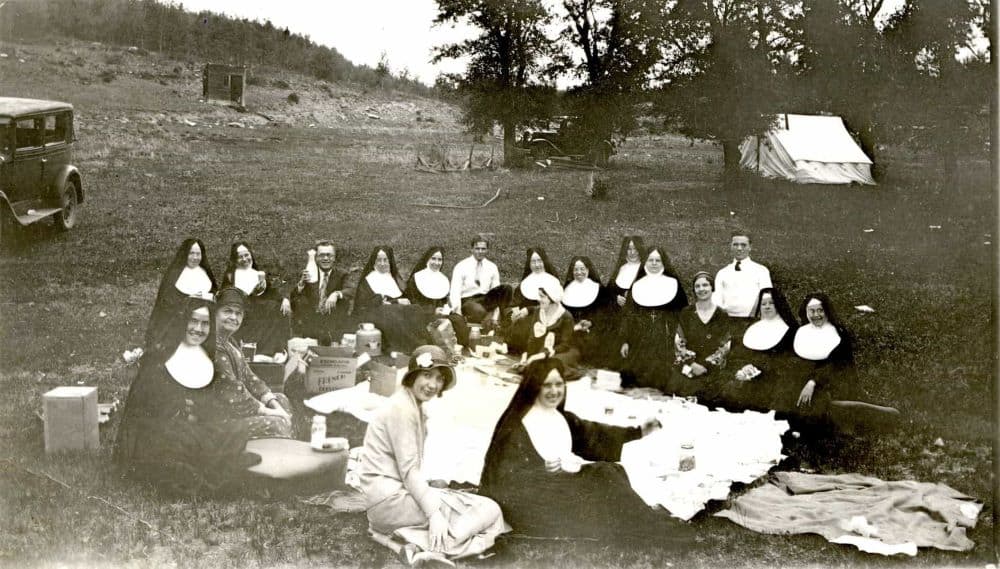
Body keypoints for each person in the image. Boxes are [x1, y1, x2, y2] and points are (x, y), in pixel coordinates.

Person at [479, 358, 691, 541]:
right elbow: (505, 480)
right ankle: (649, 525)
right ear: (534, 387)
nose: (555, 392)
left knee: (613, 472)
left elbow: (595, 434)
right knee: (603, 475)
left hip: (556, 488)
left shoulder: (560, 416)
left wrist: (638, 431)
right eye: (547, 386)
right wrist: (542, 471)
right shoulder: (516, 426)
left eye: (559, 384)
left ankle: (644, 520)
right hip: (532, 503)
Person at [358, 345, 508, 563]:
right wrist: (434, 514)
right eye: (427, 375)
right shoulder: (402, 408)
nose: (433, 385)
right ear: (413, 375)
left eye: (439, 379)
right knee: (490, 510)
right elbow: (409, 471)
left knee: (478, 510)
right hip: (390, 502)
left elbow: (407, 468)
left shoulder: (412, 405)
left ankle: (400, 542)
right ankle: (431, 548)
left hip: (386, 501)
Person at [115, 298, 258, 494]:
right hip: (162, 433)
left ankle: (209, 463)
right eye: (194, 321)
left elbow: (209, 404)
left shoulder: (206, 355)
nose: (199, 329)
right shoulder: (160, 357)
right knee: (178, 450)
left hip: (195, 430)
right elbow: (145, 412)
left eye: (205, 323)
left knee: (238, 430)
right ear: (183, 322)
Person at [787, 292, 899, 433]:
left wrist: (813, 382)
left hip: (834, 383)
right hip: (808, 382)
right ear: (805, 312)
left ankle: (877, 414)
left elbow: (836, 365)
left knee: (822, 409)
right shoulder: (801, 333)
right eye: (812, 311)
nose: (816, 315)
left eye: (820, 310)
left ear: (827, 311)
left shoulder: (838, 333)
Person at [210, 287, 294, 438]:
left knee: (281, 399)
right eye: (227, 311)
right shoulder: (214, 346)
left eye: (238, 313)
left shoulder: (230, 342)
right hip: (222, 420)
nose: (233, 317)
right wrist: (273, 413)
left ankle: (287, 448)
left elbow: (250, 378)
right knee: (277, 422)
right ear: (215, 313)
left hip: (238, 410)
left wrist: (276, 406)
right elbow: (234, 391)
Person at [718, 287, 798, 412]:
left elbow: (789, 362)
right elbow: (736, 356)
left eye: (771, 303)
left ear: (779, 305)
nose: (767, 307)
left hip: (773, 384)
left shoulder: (791, 331)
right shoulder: (751, 328)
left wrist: (759, 368)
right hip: (747, 381)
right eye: (763, 304)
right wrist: (743, 368)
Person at [619, 246, 688, 390]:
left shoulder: (673, 283)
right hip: (639, 337)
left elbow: (683, 313)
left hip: (665, 336)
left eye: (658, 260)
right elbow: (628, 314)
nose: (654, 263)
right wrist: (625, 340)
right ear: (645, 262)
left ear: (663, 263)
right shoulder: (637, 285)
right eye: (651, 260)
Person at [354, 246, 434, 353]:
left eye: (385, 260)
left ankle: (424, 343)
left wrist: (404, 302)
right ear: (374, 261)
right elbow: (366, 303)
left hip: (395, 310)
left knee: (415, 309)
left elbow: (404, 295)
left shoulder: (393, 277)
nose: (382, 263)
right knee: (393, 312)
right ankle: (410, 347)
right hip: (374, 313)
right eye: (379, 260)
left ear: (390, 261)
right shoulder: (368, 279)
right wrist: (394, 302)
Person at [667, 271, 733, 402]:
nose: (701, 289)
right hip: (689, 368)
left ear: (712, 288)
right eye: (697, 286)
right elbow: (678, 341)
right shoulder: (686, 313)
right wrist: (691, 364)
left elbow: (726, 345)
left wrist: (707, 366)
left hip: (712, 372)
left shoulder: (722, 315)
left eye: (705, 285)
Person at [220, 241, 291, 355]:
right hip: (242, 316)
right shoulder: (231, 276)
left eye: (246, 255)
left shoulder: (258, 275)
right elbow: (227, 296)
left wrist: (285, 299)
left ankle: (274, 352)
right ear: (235, 260)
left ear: (251, 255)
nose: (244, 259)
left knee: (276, 307)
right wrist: (252, 293)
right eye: (240, 257)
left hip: (258, 316)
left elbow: (273, 294)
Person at [145, 238, 217, 348]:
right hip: (177, 327)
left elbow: (215, 297)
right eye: (191, 253)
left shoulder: (206, 273)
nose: (195, 257)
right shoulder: (174, 275)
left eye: (198, 254)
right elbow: (166, 304)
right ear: (185, 255)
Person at [508, 279, 580, 378]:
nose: (538, 299)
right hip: (542, 350)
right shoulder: (539, 311)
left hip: (561, 351)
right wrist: (525, 358)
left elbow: (565, 345)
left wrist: (542, 355)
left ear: (552, 298)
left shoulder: (566, 316)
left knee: (549, 367)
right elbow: (532, 339)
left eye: (542, 296)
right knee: (527, 367)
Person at [290, 240, 355, 342]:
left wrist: (336, 294)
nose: (325, 258)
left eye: (329, 255)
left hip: (334, 321)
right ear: (316, 257)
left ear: (334, 258)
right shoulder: (310, 273)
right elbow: (293, 297)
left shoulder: (342, 274)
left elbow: (351, 290)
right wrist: (301, 284)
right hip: (312, 322)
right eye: (321, 255)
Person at [404, 246, 470, 347]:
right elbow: (412, 303)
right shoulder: (417, 278)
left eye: (440, 259)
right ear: (427, 260)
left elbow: (443, 302)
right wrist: (432, 310)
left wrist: (447, 307)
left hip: (440, 314)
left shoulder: (442, 279)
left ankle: (461, 347)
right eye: (433, 259)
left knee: (458, 319)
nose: (436, 262)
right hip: (422, 314)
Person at [561, 256, 616, 368]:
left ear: (588, 270)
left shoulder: (599, 289)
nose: (579, 272)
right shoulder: (566, 289)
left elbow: (605, 312)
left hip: (592, 328)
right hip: (573, 327)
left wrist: (592, 322)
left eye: (582, 269)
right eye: (576, 269)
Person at [448, 235, 509, 325]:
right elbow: (455, 291)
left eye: (483, 249)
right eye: (477, 248)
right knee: (478, 311)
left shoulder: (492, 267)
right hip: (468, 300)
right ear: (471, 249)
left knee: (507, 289)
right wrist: (458, 313)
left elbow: (497, 292)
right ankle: (490, 320)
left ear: (487, 250)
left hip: (486, 299)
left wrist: (496, 313)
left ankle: (496, 318)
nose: (480, 252)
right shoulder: (461, 266)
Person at [713, 232, 772, 321]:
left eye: (743, 245)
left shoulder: (761, 271)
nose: (739, 248)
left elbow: (766, 297)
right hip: (727, 322)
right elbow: (717, 299)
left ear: (750, 247)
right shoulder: (722, 273)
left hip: (753, 319)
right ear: (731, 246)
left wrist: (753, 317)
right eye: (735, 245)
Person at [607, 236, 646, 309]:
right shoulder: (621, 268)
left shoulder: (645, 270)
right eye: (629, 249)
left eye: (635, 248)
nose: (632, 252)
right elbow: (608, 292)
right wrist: (616, 298)